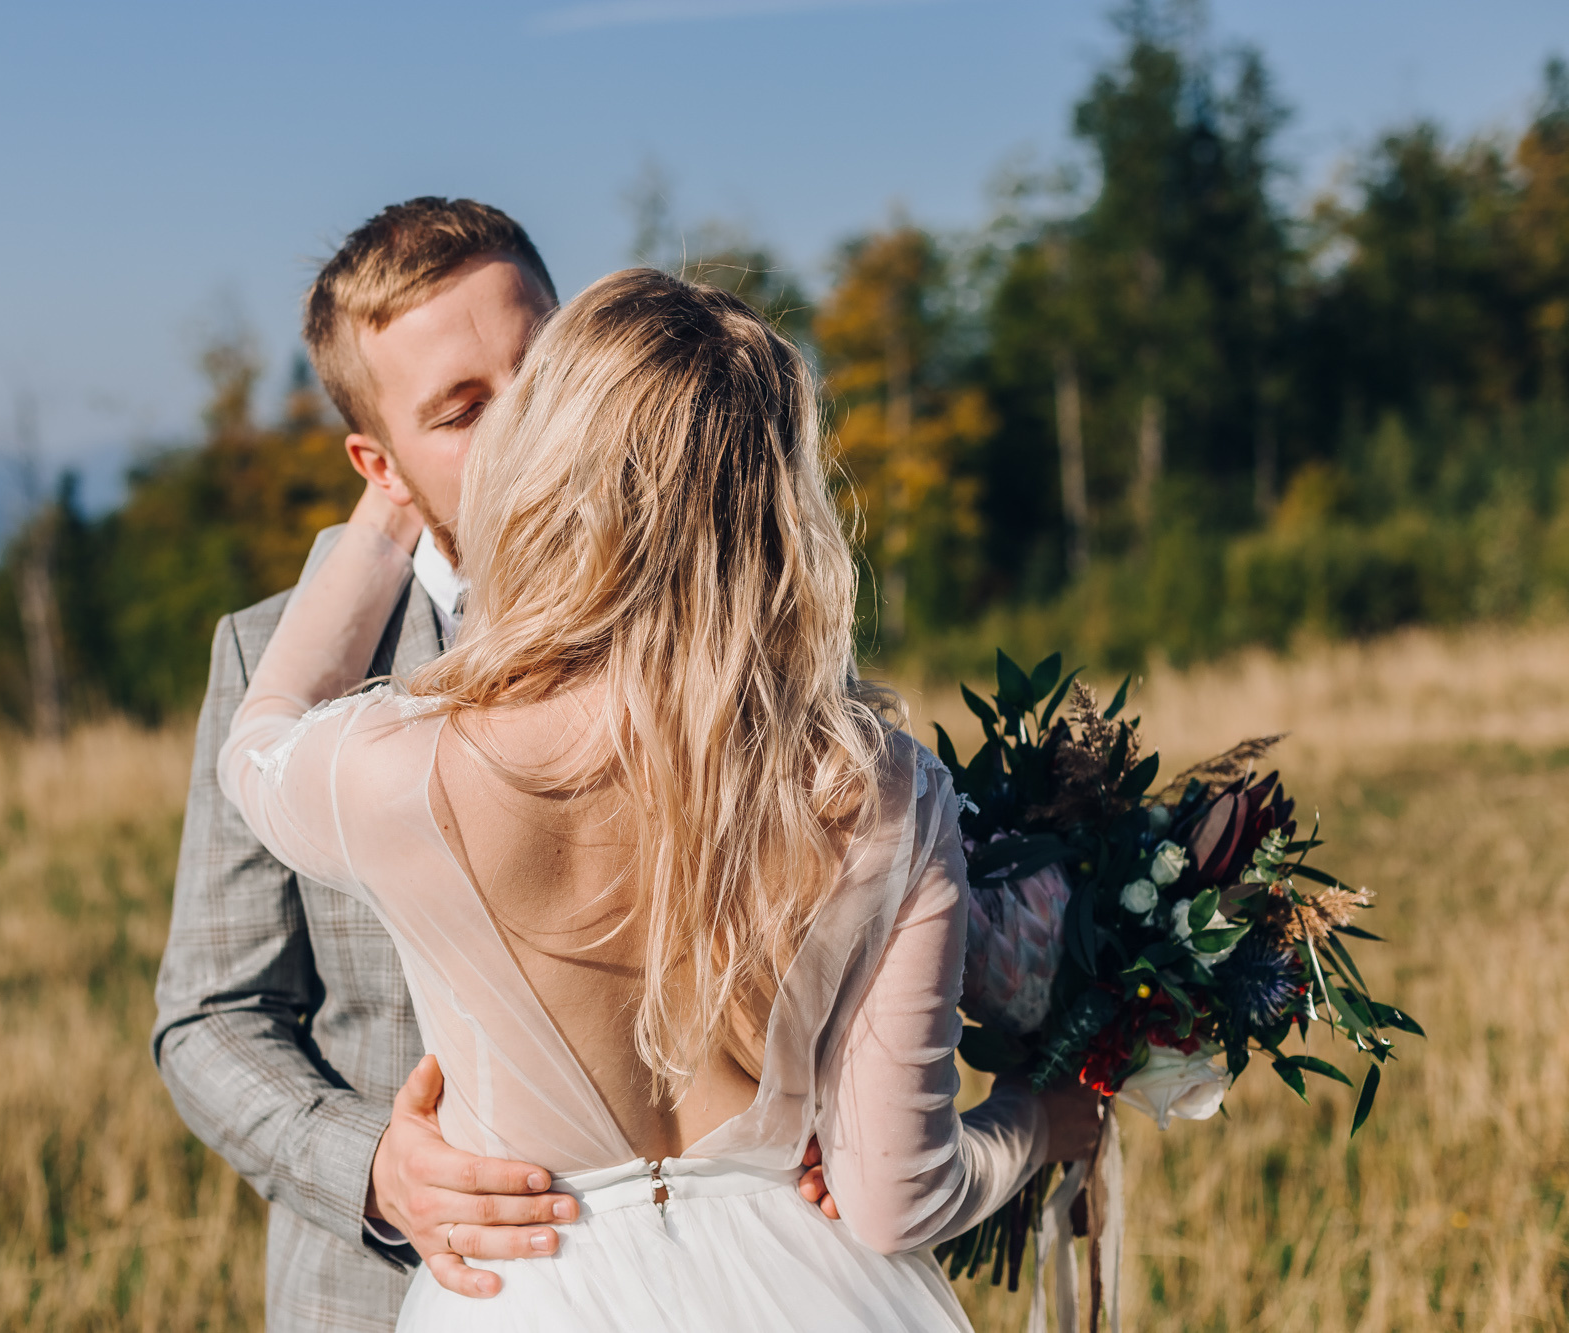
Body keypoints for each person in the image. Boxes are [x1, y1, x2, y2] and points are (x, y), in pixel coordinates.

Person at [219, 268, 1104, 1331]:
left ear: (545, 469)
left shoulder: (404, 772)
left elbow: (259, 737)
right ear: (781, 501)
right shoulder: (880, 784)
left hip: (528, 1293)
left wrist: (385, 509)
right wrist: (1039, 1120)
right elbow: (891, 1196)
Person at [153, 198, 590, 1332]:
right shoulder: (267, 658)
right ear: (379, 464)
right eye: (461, 412)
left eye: (542, 368)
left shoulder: (724, 602)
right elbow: (209, 1015)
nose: (531, 426)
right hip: (382, 1298)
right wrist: (376, 1168)